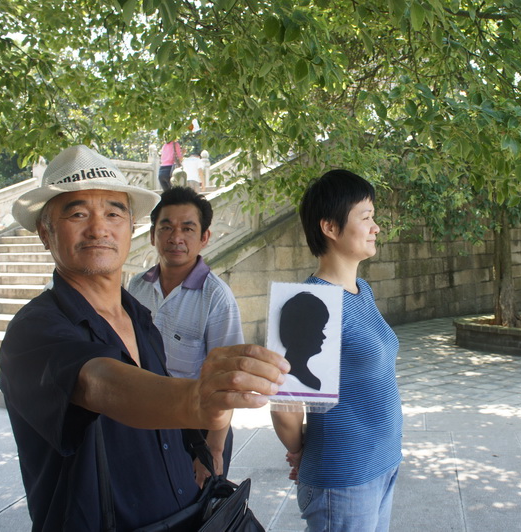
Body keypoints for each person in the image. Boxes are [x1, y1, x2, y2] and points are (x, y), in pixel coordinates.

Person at [0, 145, 289, 531]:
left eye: (113, 213)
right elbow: (98, 382)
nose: (99, 228)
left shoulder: (139, 316)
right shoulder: (33, 331)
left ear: (130, 226)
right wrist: (194, 399)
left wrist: (206, 444)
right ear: (45, 232)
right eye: (78, 213)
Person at [271, 169, 403, 532]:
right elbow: (285, 406)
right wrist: (300, 450)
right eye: (366, 217)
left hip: (382, 463)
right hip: (344, 478)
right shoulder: (310, 302)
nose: (376, 227)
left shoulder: (362, 290)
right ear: (330, 227)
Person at [128, 186, 242, 483]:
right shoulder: (136, 287)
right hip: (145, 422)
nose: (175, 237)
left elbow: (228, 379)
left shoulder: (216, 297)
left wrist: (213, 448)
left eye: (188, 228)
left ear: (204, 237)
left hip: (197, 431)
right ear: (152, 235)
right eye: (166, 227)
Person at [279, 291, 330, 391]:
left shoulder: (312, 380)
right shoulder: (309, 381)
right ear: (300, 331)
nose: (323, 336)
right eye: (318, 329)